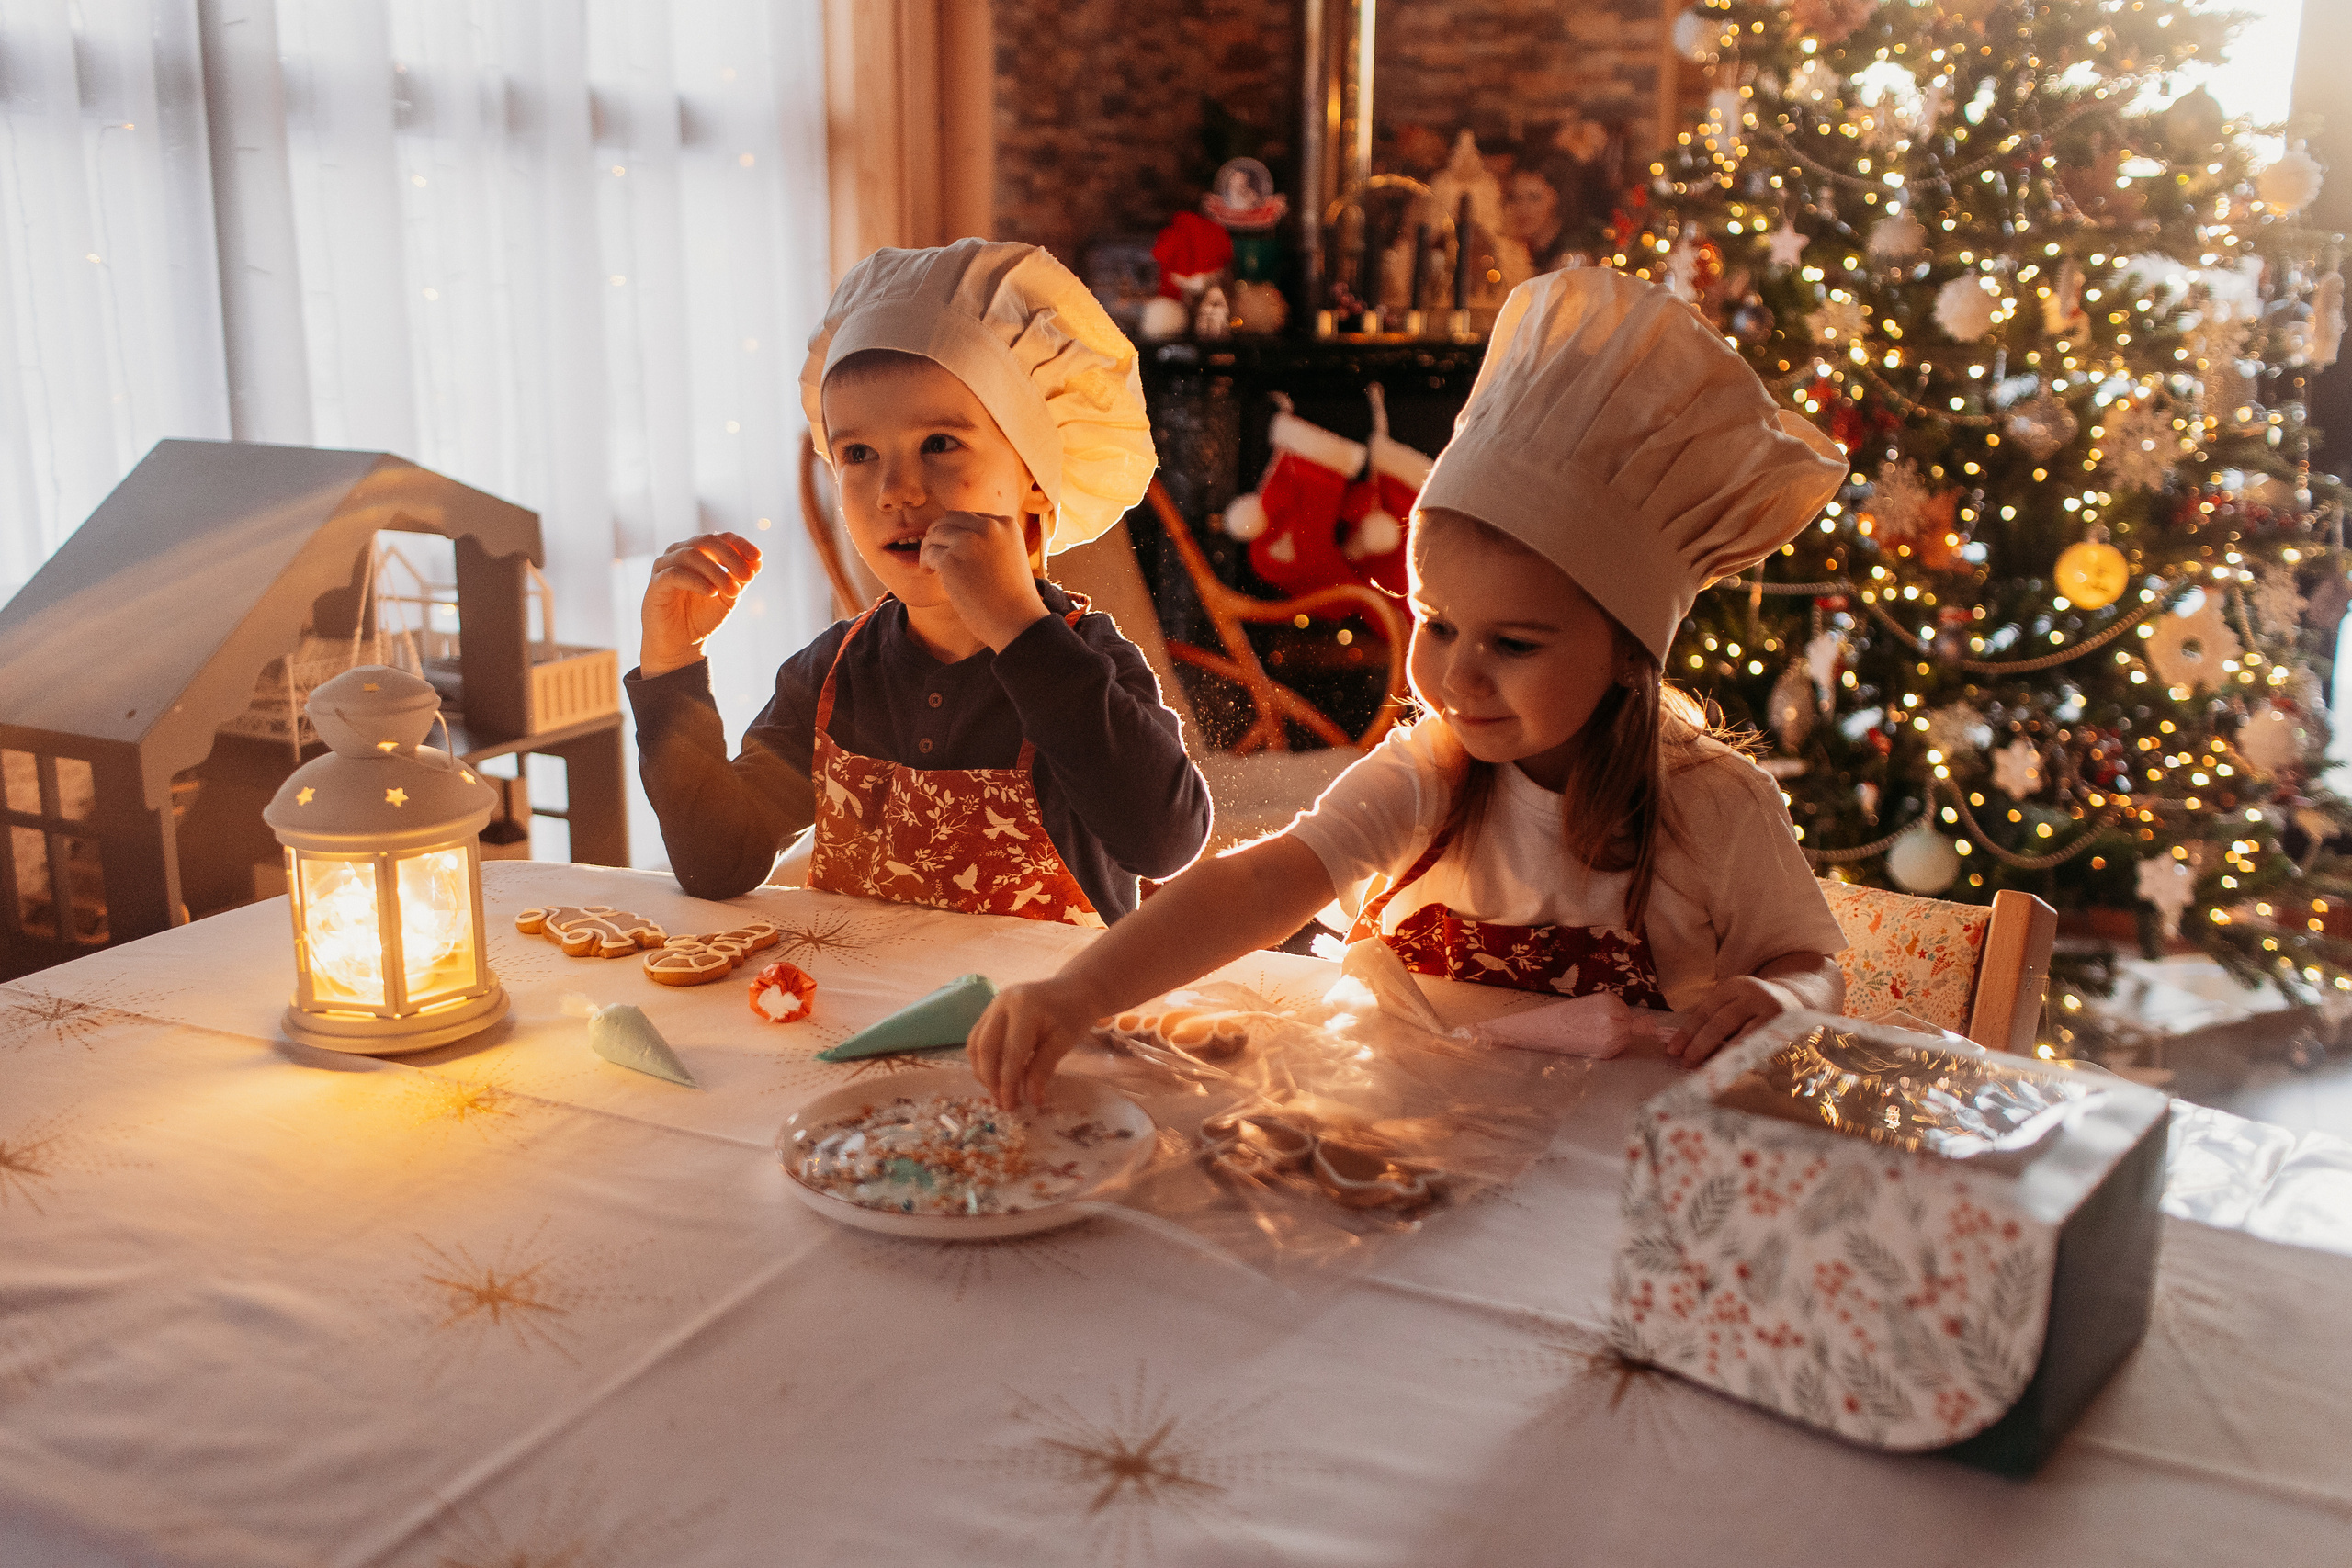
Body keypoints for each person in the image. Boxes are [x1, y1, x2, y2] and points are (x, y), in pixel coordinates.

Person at [971, 267, 1851, 1105]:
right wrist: (1075, 993)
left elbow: (1812, 965)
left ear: (1629, 653)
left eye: (1512, 643)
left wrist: (1780, 999)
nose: (1457, 676)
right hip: (1420, 1134)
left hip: (1615, 1169)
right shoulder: (1432, 770)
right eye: (1436, 623)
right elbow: (1262, 882)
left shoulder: (1715, 807)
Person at [628, 239, 1211, 925]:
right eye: (859, 454)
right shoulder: (834, 675)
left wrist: (1021, 630)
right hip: (862, 1025)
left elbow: (1165, 841)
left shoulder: (1084, 664)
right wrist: (670, 663)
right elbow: (718, 860)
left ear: (1032, 478)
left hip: (1039, 1029)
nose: (896, 490)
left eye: (939, 442)